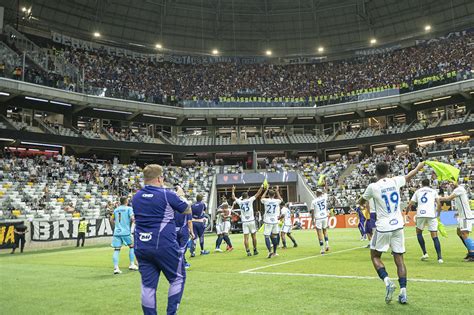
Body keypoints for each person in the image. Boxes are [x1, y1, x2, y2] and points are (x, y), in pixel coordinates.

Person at [358, 161, 425, 304]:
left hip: (383, 226)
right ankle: (403, 293)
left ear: (375, 172)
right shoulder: (395, 181)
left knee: (375, 256)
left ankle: (388, 282)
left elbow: (362, 201)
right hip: (398, 225)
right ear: (388, 171)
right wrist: (418, 167)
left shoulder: (373, 186)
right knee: (399, 260)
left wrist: (360, 201)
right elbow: (408, 177)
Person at [132, 164, 191, 315]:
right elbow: (187, 209)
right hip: (164, 245)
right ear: (160, 178)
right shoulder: (167, 194)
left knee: (148, 286)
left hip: (142, 246)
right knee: (177, 278)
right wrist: (180, 195)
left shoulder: (136, 197)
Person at [405, 179, 443, 263]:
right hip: (431, 214)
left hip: (421, 214)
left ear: (422, 184)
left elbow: (410, 204)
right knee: (434, 236)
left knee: (419, 233)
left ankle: (425, 253)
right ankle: (439, 257)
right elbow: (439, 204)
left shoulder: (418, 191)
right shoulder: (433, 191)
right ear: (429, 184)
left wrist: (406, 214)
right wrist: (438, 214)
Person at [438, 179, 474, 262]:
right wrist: (458, 212)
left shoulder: (459, 189)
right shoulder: (458, 190)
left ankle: (472, 254)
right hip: (462, 216)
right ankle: (470, 250)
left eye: (452, 182)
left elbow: (449, 198)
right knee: (459, 232)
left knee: (464, 234)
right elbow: (462, 203)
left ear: (456, 182)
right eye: (449, 182)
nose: (451, 184)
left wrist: (439, 198)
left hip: (465, 216)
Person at [232, 185, 263, 256]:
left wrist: (233, 190)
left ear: (242, 197)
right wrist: (261, 187)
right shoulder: (250, 200)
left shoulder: (240, 202)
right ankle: (255, 250)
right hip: (251, 220)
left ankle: (248, 251)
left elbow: (233, 197)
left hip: (244, 222)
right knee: (254, 236)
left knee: (246, 238)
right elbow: (258, 193)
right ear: (247, 196)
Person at [110, 196, 138, 274]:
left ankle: (116, 268)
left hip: (117, 232)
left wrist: (116, 227)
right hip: (125, 231)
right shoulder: (129, 209)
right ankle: (132, 264)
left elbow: (111, 220)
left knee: (117, 249)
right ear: (126, 201)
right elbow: (132, 218)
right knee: (132, 246)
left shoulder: (116, 210)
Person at [261, 186, 283, 258]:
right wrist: (277, 191)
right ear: (274, 195)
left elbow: (261, 198)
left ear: (268, 194)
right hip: (275, 220)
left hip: (268, 220)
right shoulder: (277, 201)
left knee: (267, 236)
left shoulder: (265, 200)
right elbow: (281, 199)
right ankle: (275, 252)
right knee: (274, 236)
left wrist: (266, 190)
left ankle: (269, 252)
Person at [175, 201, 194, 269]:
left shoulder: (174, 209)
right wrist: (192, 232)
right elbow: (189, 221)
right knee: (183, 248)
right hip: (183, 230)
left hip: (174, 230)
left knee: (177, 248)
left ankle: (180, 262)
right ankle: (182, 264)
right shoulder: (187, 210)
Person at [311, 188, 330, 254]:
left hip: (318, 218)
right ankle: (327, 245)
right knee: (325, 230)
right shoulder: (324, 198)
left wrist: (312, 220)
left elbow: (312, 211)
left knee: (319, 233)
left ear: (317, 193)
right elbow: (326, 191)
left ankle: (322, 249)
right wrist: (325, 184)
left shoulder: (313, 201)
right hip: (324, 216)